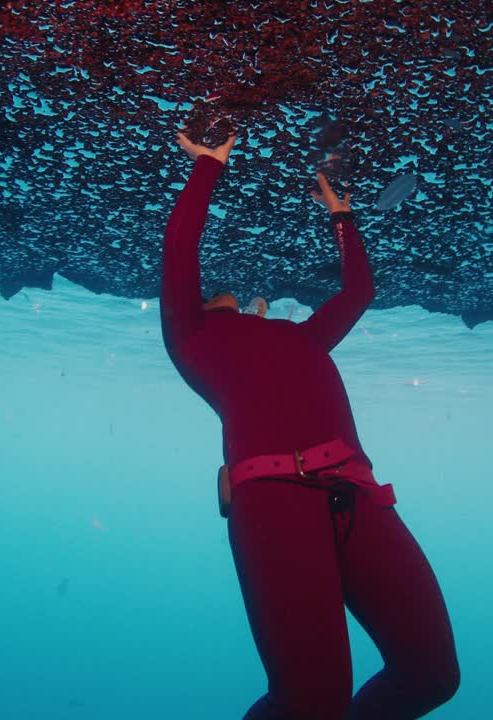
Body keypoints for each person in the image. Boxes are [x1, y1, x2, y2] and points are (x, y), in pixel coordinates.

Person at [161, 130, 460, 720]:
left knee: (431, 676)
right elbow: (179, 254)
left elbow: (359, 291)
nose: (241, 292)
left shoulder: (304, 339)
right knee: (310, 704)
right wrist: (207, 167)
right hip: (273, 500)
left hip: (359, 496)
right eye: (221, 294)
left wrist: (341, 212)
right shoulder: (191, 341)